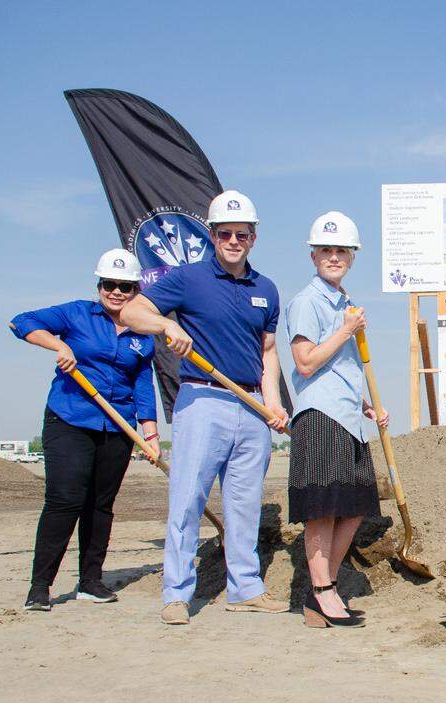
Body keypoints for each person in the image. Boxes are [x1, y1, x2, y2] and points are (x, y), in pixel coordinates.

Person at [121, 189, 290, 625]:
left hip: (251, 405)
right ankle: (176, 594)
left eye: (243, 234)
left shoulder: (266, 289)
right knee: (187, 501)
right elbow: (132, 313)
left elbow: (269, 352)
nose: (234, 240)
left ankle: (245, 588)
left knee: (245, 503)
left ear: (253, 238)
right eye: (225, 233)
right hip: (201, 399)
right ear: (212, 235)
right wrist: (165, 324)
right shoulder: (187, 278)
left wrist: (272, 404)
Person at [10, 249, 158, 610]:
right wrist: (58, 343)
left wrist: (150, 433)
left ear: (136, 288)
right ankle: (40, 587)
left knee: (100, 505)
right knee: (65, 501)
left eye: (125, 286)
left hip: (117, 426)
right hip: (70, 420)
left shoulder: (144, 330)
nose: (117, 292)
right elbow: (21, 322)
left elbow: (142, 382)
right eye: (110, 284)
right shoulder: (76, 313)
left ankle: (91, 581)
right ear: (99, 285)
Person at [286, 212, 389, 629]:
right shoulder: (307, 302)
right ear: (313, 256)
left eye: (341, 251)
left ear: (351, 256)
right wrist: (346, 331)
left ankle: (323, 588)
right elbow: (306, 362)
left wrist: (365, 403)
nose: (333, 257)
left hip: (347, 415)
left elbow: (339, 367)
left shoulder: (344, 303)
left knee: (354, 507)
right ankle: (322, 592)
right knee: (322, 508)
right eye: (326, 250)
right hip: (319, 415)